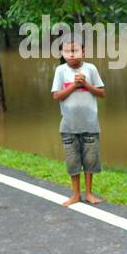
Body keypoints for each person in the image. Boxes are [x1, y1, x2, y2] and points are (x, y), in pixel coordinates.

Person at [50, 36, 105, 206]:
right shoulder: (61, 71)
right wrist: (74, 85)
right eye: (67, 51)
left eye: (75, 50)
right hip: (68, 125)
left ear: (83, 51)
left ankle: (88, 193)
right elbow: (56, 95)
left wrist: (86, 84)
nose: (71, 54)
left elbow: (101, 93)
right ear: (62, 53)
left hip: (90, 124)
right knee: (73, 160)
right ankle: (75, 194)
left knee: (90, 160)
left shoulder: (91, 69)